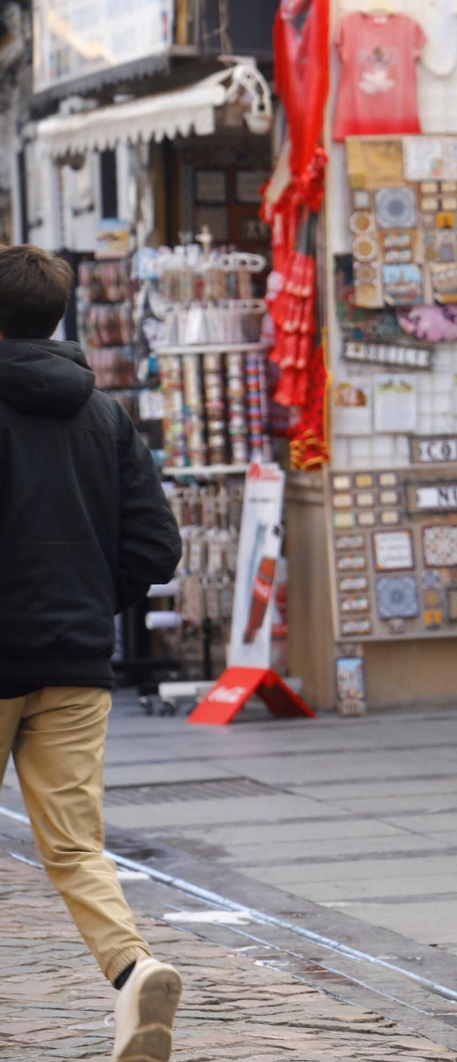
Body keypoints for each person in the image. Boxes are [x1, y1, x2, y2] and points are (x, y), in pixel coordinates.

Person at [0, 245, 186, 1059]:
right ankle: (134, 970)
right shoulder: (105, 417)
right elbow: (157, 548)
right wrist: (85, 604)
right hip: (76, 663)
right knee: (76, 847)